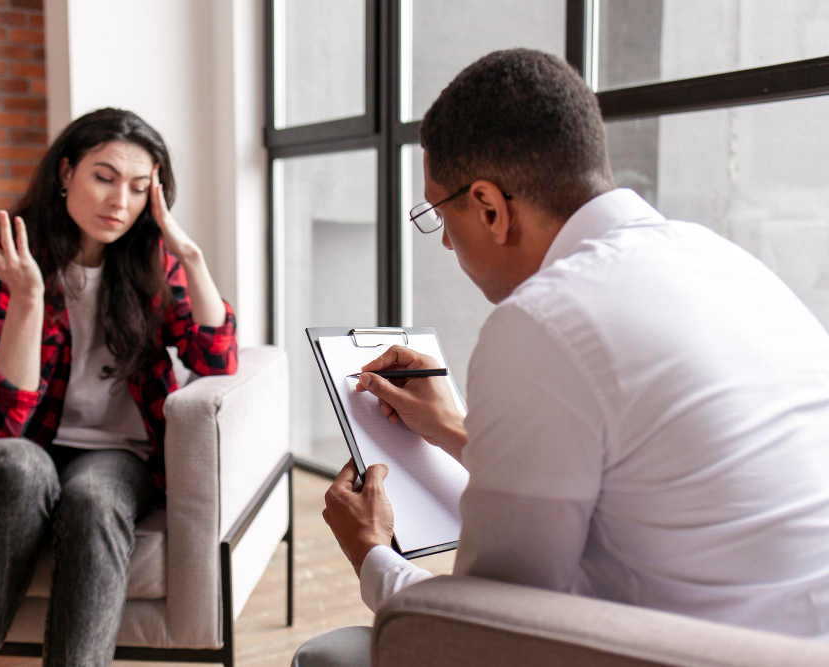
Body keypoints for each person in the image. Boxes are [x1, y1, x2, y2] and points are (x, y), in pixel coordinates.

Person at [294, 48, 829, 665]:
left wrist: (370, 550)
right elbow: (635, 474)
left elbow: (484, 636)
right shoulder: (726, 262)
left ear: (491, 209)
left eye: (439, 212)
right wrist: (453, 429)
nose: (443, 239)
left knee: (329, 656)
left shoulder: (543, 319)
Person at [0, 108, 237, 667]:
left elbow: (215, 357)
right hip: (11, 457)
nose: (118, 201)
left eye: (138, 187)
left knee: (95, 499)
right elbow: (3, 427)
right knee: (23, 469)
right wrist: (28, 299)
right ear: (65, 172)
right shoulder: (5, 262)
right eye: (103, 177)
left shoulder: (153, 265)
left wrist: (190, 255)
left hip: (115, 456)